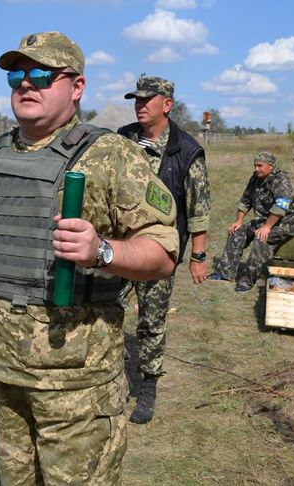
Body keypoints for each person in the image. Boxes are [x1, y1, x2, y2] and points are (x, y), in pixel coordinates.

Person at [0, 31, 179, 484]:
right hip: (3, 371)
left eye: (42, 74)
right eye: (16, 76)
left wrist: (102, 251)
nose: (27, 84)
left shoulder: (110, 155)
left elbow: (163, 252)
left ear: (77, 86)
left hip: (76, 383)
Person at [117, 75, 210, 425]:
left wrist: (198, 256)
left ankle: (149, 385)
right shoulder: (122, 140)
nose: (139, 105)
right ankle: (106, 375)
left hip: (160, 254)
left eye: (147, 100)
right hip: (120, 248)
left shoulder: (186, 150)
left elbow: (199, 207)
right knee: (106, 308)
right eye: (136, 100)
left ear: (167, 105)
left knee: (151, 322)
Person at [208, 152, 294, 292]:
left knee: (261, 238)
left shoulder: (281, 180)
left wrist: (267, 227)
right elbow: (245, 201)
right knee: (236, 232)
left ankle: (247, 280)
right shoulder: (255, 178)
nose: (256, 169)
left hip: (284, 223)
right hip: (264, 220)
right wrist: (238, 221)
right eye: (255, 165)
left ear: (270, 167)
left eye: (260, 166)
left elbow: (281, 206)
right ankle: (225, 272)